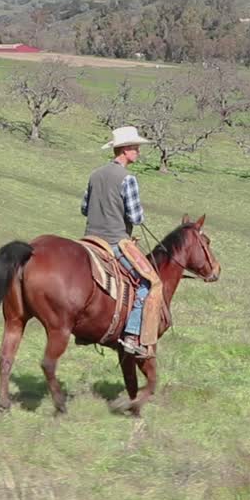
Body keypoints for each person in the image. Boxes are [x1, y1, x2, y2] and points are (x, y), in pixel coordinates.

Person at [81, 126, 163, 358]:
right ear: (125, 150)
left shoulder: (95, 174)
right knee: (149, 283)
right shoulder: (128, 179)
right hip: (115, 242)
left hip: (89, 240)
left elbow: (84, 209)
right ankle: (132, 335)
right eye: (135, 148)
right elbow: (136, 217)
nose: (138, 151)